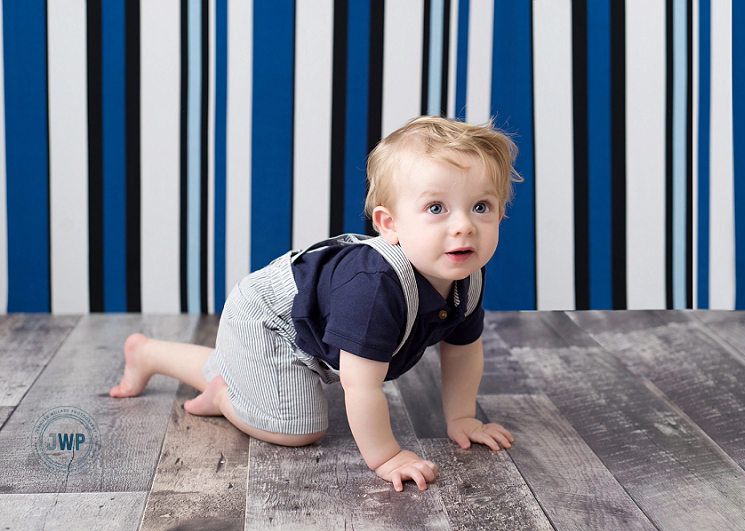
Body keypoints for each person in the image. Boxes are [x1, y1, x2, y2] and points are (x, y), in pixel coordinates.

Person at [110, 115, 519, 492]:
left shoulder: (465, 273)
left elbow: (463, 350)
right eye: (436, 208)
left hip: (311, 322)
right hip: (273, 320)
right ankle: (223, 395)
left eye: (480, 206)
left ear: (501, 215)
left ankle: (148, 353)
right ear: (389, 225)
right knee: (299, 429)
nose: (464, 225)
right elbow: (360, 385)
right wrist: (387, 456)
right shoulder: (375, 289)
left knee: (254, 378)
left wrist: (462, 417)